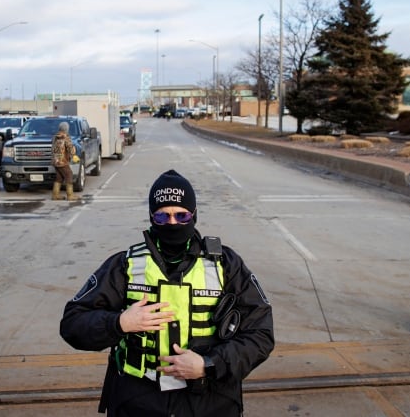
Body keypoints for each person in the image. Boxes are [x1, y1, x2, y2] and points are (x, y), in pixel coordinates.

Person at [60, 170, 275, 417]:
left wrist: (209, 364)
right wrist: (119, 323)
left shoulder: (226, 264)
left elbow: (261, 334)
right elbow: (72, 323)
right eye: (162, 216)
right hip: (138, 402)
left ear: (194, 215)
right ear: (151, 217)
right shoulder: (126, 265)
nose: (172, 223)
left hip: (211, 402)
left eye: (181, 215)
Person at [51, 121, 77, 201]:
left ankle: (55, 195)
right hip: (63, 161)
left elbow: (52, 148)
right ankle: (70, 195)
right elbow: (70, 149)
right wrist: (74, 153)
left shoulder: (55, 137)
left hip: (55, 161)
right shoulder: (66, 137)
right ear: (66, 129)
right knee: (69, 175)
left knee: (59, 177)